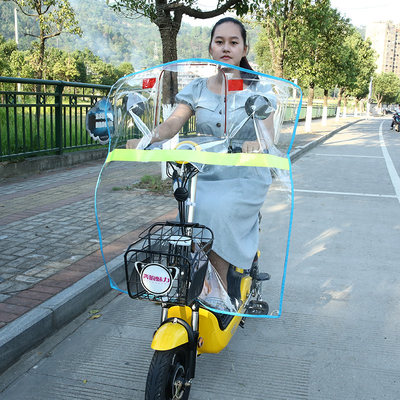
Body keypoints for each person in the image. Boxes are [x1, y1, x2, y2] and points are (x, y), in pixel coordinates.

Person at [126, 17, 275, 304]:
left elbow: (267, 130)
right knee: (190, 213)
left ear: (244, 49)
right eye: (219, 42)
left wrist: (259, 142)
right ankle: (197, 281)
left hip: (244, 171)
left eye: (234, 42)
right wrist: (148, 138)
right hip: (206, 170)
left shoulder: (258, 89)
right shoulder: (197, 88)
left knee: (218, 209)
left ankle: (218, 293)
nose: (226, 48)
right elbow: (173, 123)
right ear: (210, 48)